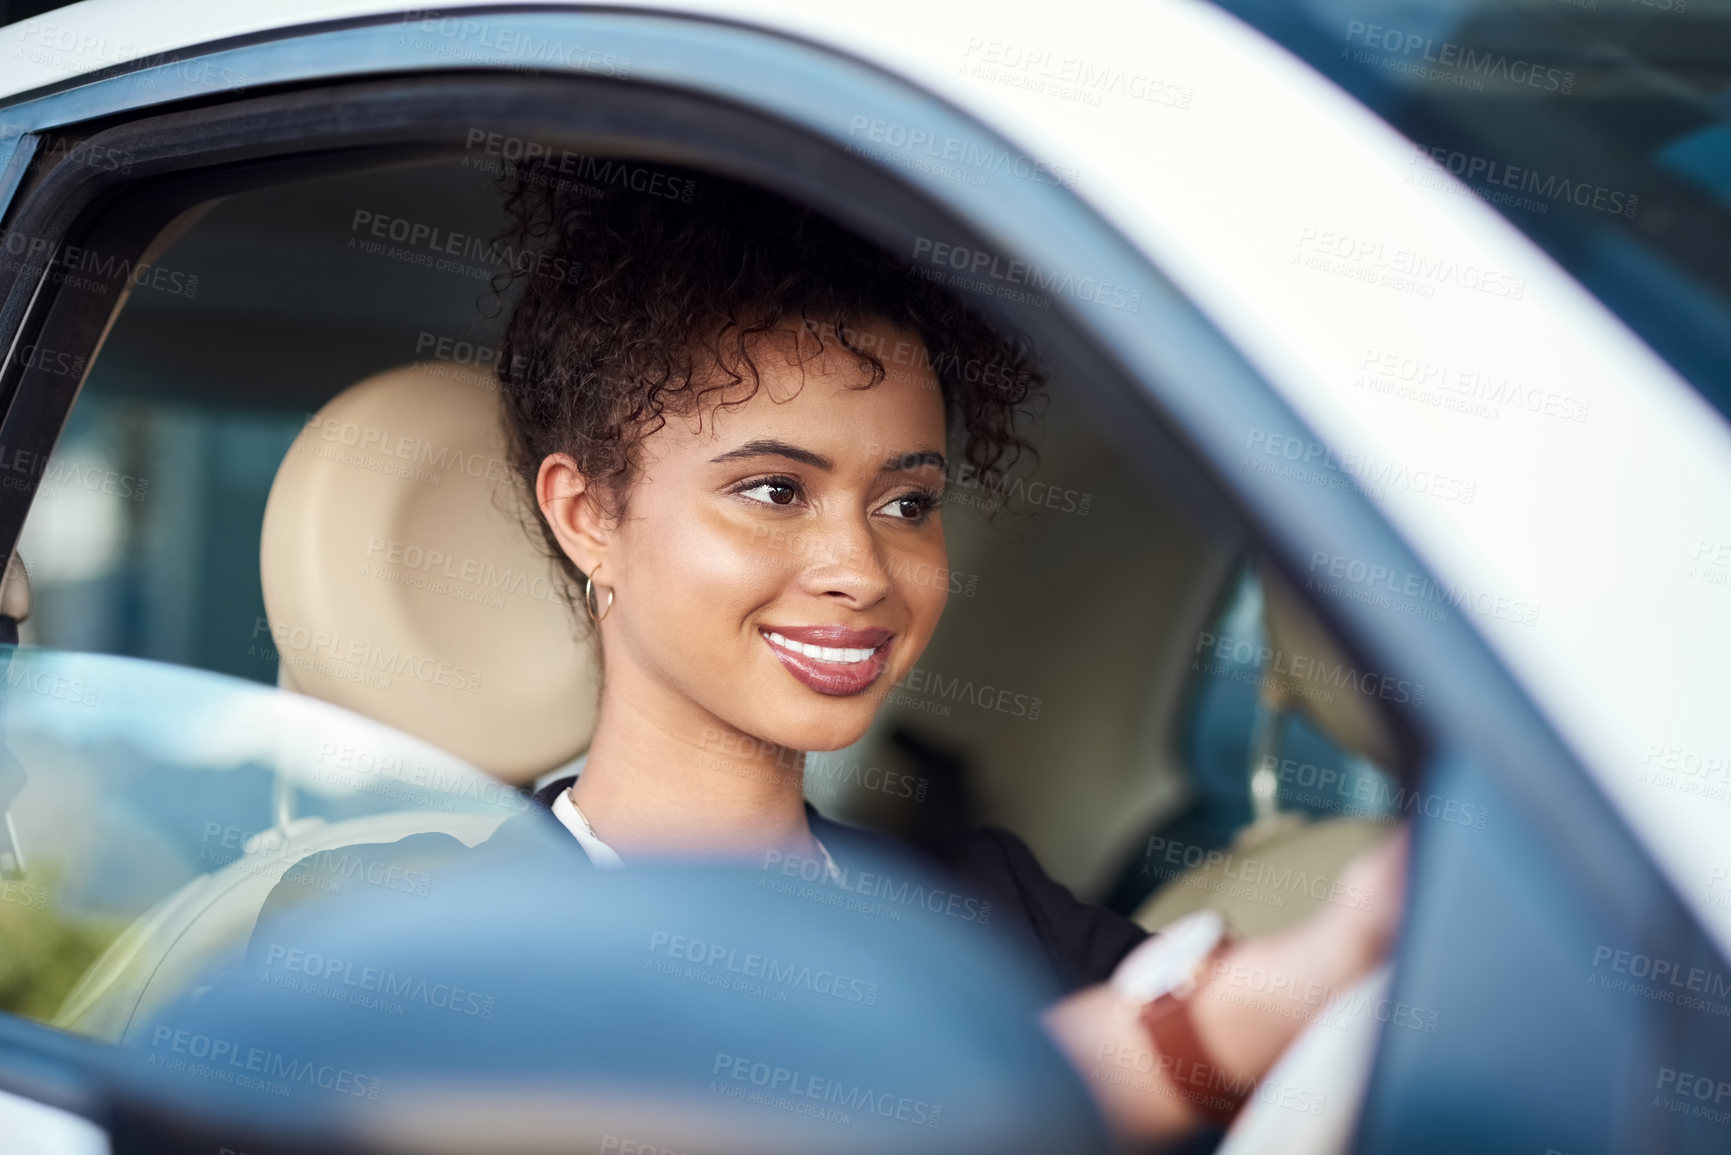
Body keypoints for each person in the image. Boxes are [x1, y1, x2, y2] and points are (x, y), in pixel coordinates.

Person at [260, 162, 1405, 1149]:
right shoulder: (405, 915)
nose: (861, 569)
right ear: (588, 514)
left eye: (907, 503)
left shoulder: (988, 905)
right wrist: (1183, 1035)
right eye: (773, 490)